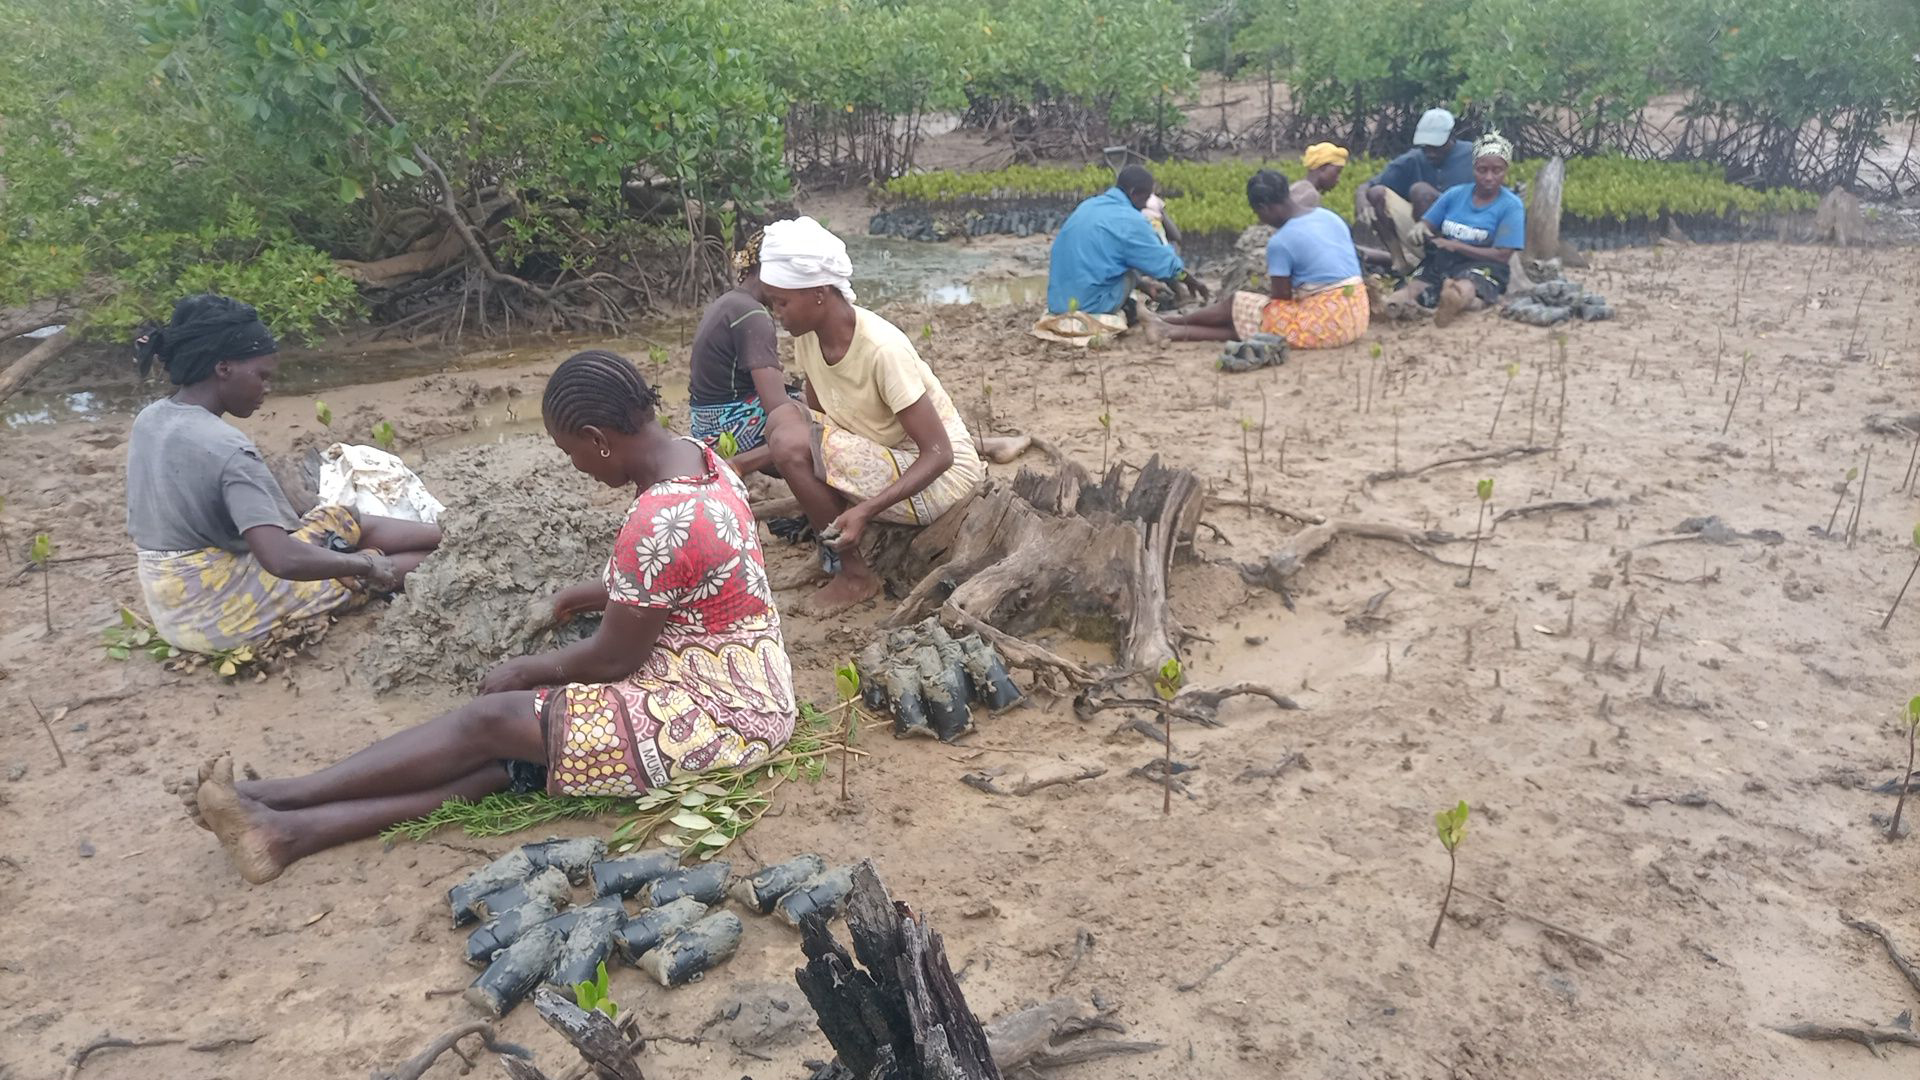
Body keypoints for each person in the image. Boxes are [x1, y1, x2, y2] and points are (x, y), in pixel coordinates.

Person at [185, 351, 797, 884]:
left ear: (598, 437)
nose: (578, 466)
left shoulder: (661, 517)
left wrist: (530, 667)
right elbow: (679, 577)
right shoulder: (698, 460)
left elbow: (616, 658)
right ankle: (281, 833)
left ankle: (274, 795)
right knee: (508, 761)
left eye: (572, 451)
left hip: (717, 718)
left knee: (488, 721)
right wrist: (583, 595)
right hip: (746, 679)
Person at [126, 294, 441, 654]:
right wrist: (363, 564)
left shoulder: (151, 418)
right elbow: (280, 559)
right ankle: (449, 549)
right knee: (383, 570)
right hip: (216, 617)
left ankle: (449, 534)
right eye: (261, 375)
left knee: (336, 518)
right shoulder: (229, 448)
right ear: (223, 368)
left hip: (168, 603)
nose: (267, 388)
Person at [724, 217, 984, 613]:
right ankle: (835, 553)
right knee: (784, 419)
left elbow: (939, 453)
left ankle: (856, 575)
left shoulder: (882, 349)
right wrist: (743, 464)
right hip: (886, 456)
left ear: (820, 293)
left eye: (782, 302)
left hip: (943, 478)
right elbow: (819, 424)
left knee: (791, 438)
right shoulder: (809, 341)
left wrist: (864, 510)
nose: (776, 314)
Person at [1145, 170, 1369, 350]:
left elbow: (1280, 299)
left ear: (1264, 208)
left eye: (1258, 214)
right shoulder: (1329, 216)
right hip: (1356, 314)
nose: (1260, 219)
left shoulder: (1281, 242)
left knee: (1238, 304)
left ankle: (1173, 323)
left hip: (1324, 325)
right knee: (1253, 323)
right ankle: (1170, 329)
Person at [1382, 131, 1526, 327]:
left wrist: (1457, 246)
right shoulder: (1455, 194)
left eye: (1497, 170)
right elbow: (1429, 222)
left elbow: (1502, 255)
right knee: (1415, 284)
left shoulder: (1511, 205)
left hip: (1484, 265)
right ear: (1473, 168)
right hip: (1442, 261)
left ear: (1506, 170)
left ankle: (1452, 301)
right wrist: (1420, 228)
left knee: (1467, 285)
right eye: (1482, 170)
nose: (1489, 177)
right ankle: (1394, 305)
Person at [1044, 164, 1209, 322]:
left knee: (1123, 257)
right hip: (1088, 305)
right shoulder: (1130, 220)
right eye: (1145, 197)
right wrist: (1193, 282)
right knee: (1135, 262)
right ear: (1134, 192)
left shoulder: (1089, 205)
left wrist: (1142, 285)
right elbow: (1165, 265)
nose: (1145, 204)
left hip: (1058, 302)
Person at [686, 229, 791, 454]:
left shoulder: (729, 302)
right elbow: (776, 406)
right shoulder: (753, 315)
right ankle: (748, 463)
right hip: (726, 431)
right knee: (807, 420)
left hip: (703, 424)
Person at [1353, 108, 1475, 273]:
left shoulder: (1473, 155)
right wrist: (1362, 199)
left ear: (1451, 137)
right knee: (1378, 193)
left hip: (1465, 231)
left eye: (1436, 147)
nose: (1430, 153)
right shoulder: (1414, 159)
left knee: (1421, 191)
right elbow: (1370, 185)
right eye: (1426, 148)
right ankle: (1400, 262)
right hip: (1420, 233)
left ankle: (1442, 262)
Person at [1290, 143, 1349, 209]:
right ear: (1323, 168)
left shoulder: (1296, 188)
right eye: (1337, 172)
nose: (1338, 179)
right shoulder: (1310, 196)